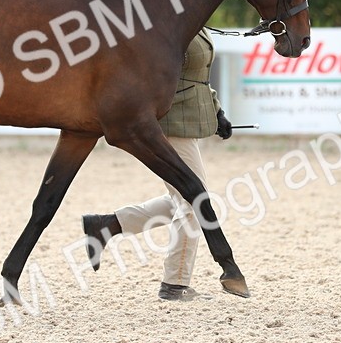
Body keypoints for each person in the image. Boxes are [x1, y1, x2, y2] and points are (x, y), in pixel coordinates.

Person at [82, 29, 233, 301]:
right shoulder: (166, 25)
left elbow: (197, 75)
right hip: (170, 122)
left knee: (183, 199)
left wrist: (217, 111)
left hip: (188, 121)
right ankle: (174, 284)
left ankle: (108, 224)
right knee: (194, 202)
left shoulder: (195, 22)